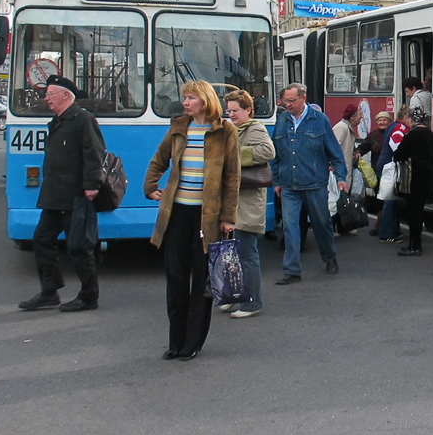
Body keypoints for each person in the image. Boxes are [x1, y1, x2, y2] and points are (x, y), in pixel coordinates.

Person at [145, 80, 240, 361]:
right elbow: (159, 160)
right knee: (175, 277)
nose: (185, 103)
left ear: (205, 100)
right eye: (184, 98)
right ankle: (175, 341)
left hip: (207, 217)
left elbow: (233, 176)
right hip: (176, 212)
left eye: (191, 98)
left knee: (201, 282)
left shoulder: (225, 130)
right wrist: (150, 185)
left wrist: (228, 217)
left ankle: (192, 342)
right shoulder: (178, 127)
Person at [18, 75, 105, 313]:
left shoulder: (82, 119)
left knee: (79, 247)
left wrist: (92, 185)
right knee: (42, 239)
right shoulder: (57, 121)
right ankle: (49, 292)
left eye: (50, 93)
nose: (46, 98)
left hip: (77, 195)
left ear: (66, 95)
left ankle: (89, 296)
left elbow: (95, 153)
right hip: (55, 196)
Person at [271, 82, 345, 284]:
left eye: (291, 100)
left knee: (322, 224)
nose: (287, 104)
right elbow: (276, 154)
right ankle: (292, 270)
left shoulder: (319, 120)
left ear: (303, 98)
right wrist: (276, 180)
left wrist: (341, 177)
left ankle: (329, 258)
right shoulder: (282, 121)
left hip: (314, 184)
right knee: (290, 227)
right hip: (289, 185)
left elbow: (334, 150)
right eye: (284, 100)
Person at [223, 90, 275, 319]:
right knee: (232, 252)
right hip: (235, 201)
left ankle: (253, 302)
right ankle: (233, 296)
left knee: (247, 253)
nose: (231, 114)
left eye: (235, 110)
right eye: (229, 110)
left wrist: (234, 154)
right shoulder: (234, 129)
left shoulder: (255, 128)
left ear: (248, 111)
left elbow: (267, 151)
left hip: (248, 202)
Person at [393, 106, 433, 257]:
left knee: (413, 213)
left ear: (411, 119)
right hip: (429, 177)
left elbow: (400, 154)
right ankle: (415, 245)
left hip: (415, 178)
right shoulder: (431, 134)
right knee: (419, 211)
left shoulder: (413, 134)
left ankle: (414, 246)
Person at [374, 106, 409, 241]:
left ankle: (392, 231)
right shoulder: (400, 128)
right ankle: (387, 233)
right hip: (390, 167)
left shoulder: (393, 125)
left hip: (385, 164)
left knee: (391, 199)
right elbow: (396, 145)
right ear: (405, 117)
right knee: (390, 200)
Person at [331, 103, 363, 235]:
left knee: (343, 198)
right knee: (335, 199)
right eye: (359, 114)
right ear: (352, 118)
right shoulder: (342, 127)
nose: (361, 117)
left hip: (345, 168)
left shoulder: (348, 127)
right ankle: (333, 228)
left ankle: (343, 226)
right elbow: (333, 147)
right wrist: (333, 165)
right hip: (338, 169)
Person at [356, 109, 391, 233]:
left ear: (389, 122)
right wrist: (358, 153)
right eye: (380, 120)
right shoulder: (373, 135)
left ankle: (381, 226)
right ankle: (380, 225)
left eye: (385, 120)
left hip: (391, 172)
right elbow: (364, 146)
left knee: (389, 199)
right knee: (380, 199)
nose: (382, 122)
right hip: (378, 173)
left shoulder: (392, 133)